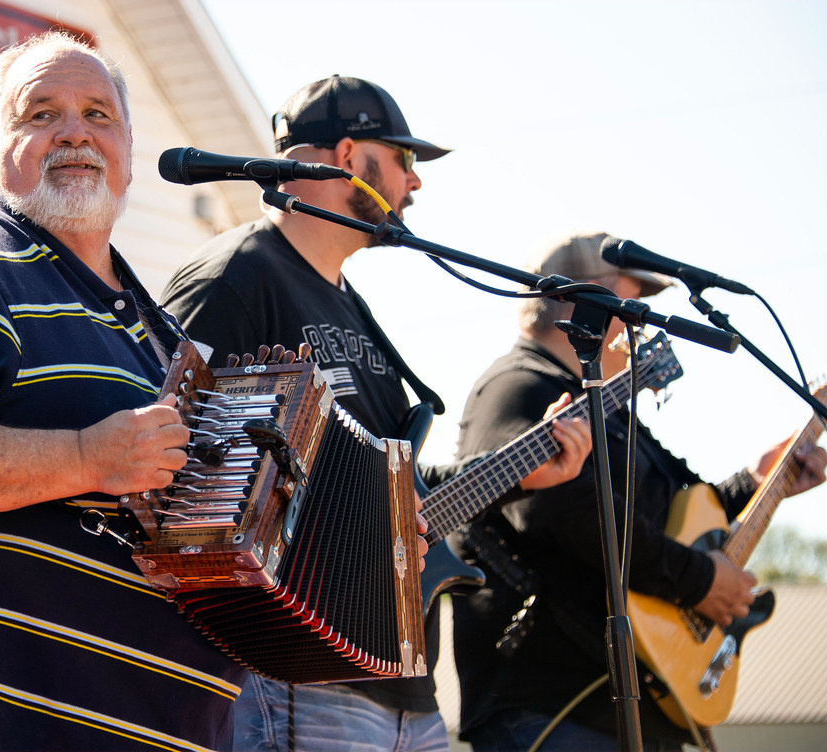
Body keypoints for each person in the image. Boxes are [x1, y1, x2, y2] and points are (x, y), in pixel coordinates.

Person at [0, 32, 251, 751]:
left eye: (98, 114)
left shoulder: (166, 337)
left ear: (127, 147)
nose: (74, 133)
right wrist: (87, 458)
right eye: (41, 114)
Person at [160, 76, 592, 752]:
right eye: (403, 159)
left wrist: (521, 471)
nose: (414, 183)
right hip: (294, 676)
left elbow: (399, 488)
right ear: (347, 157)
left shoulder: (353, 308)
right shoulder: (234, 279)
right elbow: (172, 466)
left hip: (404, 686)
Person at [448, 232, 827, 752]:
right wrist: (698, 579)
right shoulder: (518, 387)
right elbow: (565, 511)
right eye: (631, 301)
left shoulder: (607, 406)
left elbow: (674, 513)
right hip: (556, 705)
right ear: (581, 300)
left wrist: (759, 481)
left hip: (632, 700)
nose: (639, 320)